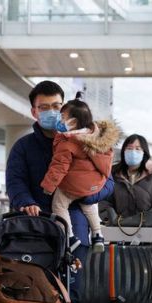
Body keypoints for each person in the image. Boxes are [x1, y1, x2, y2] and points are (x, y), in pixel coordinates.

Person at [6, 80, 114, 303]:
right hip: (36, 231)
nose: (52, 113)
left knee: (70, 298)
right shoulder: (24, 147)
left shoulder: (88, 141)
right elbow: (15, 181)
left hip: (74, 228)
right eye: (45, 107)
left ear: (65, 107)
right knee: (41, 298)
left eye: (57, 106)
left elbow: (109, 181)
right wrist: (25, 201)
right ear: (33, 110)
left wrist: (90, 194)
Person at [40, 95, 119, 253]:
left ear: (73, 122)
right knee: (89, 205)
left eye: (62, 117)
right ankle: (97, 235)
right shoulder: (97, 138)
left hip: (73, 185)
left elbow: (59, 166)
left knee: (59, 205)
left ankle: (69, 236)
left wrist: (49, 186)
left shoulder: (68, 142)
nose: (59, 119)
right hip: (94, 185)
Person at [98, 134, 152, 221]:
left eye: (138, 149)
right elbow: (104, 201)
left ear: (144, 152)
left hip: (147, 229)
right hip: (118, 228)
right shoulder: (113, 175)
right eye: (129, 148)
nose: (133, 152)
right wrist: (110, 217)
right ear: (123, 151)